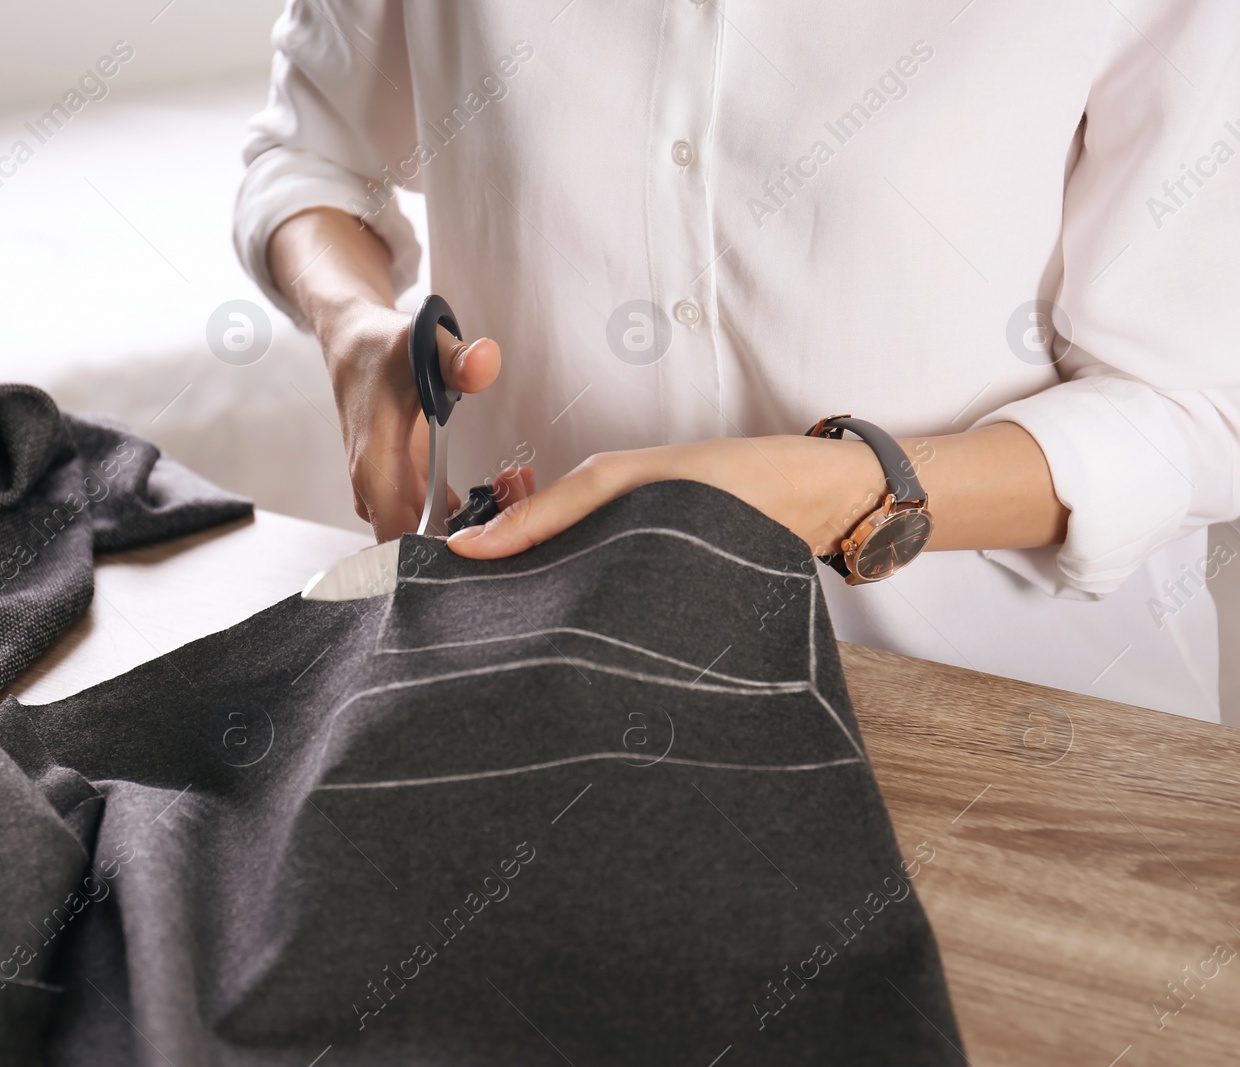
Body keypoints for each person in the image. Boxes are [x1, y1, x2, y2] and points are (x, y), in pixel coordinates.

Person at [233, 1, 1240, 722]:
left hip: (1012, 738)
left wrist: (848, 490)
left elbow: (1202, 406)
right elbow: (309, 155)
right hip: (541, 704)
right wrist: (353, 325)